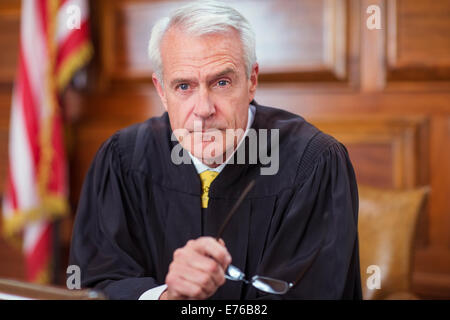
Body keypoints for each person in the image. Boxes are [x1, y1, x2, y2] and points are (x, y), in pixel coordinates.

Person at [69, 0, 362, 300]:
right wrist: (165, 298)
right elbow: (95, 284)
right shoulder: (123, 160)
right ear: (161, 90)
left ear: (251, 81)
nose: (204, 109)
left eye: (221, 82)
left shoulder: (312, 164)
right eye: (184, 86)